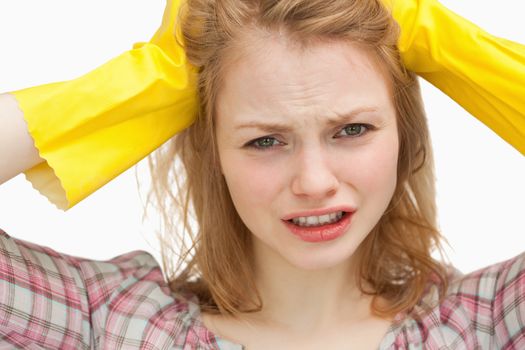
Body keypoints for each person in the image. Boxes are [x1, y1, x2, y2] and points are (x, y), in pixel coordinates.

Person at [0, 0, 523, 349]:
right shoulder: (114, 322)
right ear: (213, 152)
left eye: (352, 130)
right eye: (265, 140)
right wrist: (155, 79)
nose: (314, 181)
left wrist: (449, 43)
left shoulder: (484, 325)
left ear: (404, 137)